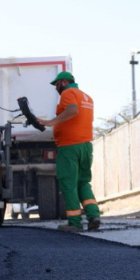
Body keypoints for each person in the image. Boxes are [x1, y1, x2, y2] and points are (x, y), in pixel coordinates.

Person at [36, 71, 101, 232]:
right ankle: (93, 215)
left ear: (64, 82)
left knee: (68, 183)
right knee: (83, 182)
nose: (56, 88)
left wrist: (52, 122)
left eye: (56, 84)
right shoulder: (87, 97)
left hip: (69, 146)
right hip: (85, 145)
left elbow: (72, 110)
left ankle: (74, 223)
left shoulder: (68, 93)